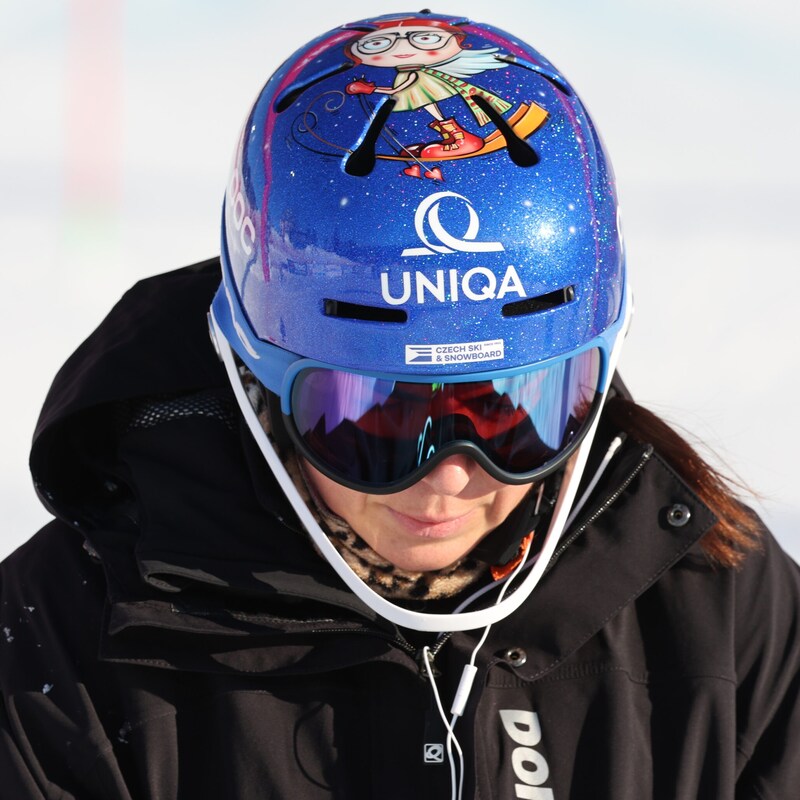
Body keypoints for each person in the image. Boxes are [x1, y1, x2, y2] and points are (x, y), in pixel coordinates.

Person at [1, 11, 798, 799]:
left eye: (513, 412)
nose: (449, 479)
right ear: (259, 381)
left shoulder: (721, 610)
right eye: (370, 418)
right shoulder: (60, 653)